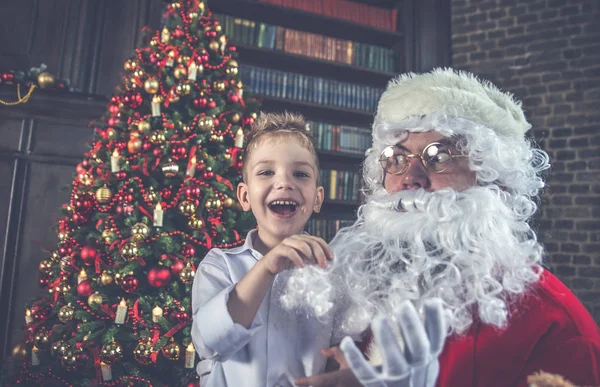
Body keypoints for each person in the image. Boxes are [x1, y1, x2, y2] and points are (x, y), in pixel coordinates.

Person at [285, 68, 600, 387]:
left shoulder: (555, 328)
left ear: (493, 180)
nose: (411, 177)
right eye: (396, 158)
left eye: (439, 156)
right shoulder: (356, 303)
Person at [191, 112, 346, 387]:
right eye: (266, 172)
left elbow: (339, 355)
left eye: (300, 174)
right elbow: (211, 341)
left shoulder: (334, 274)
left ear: (317, 198)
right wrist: (267, 266)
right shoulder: (218, 265)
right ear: (245, 196)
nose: (285, 183)